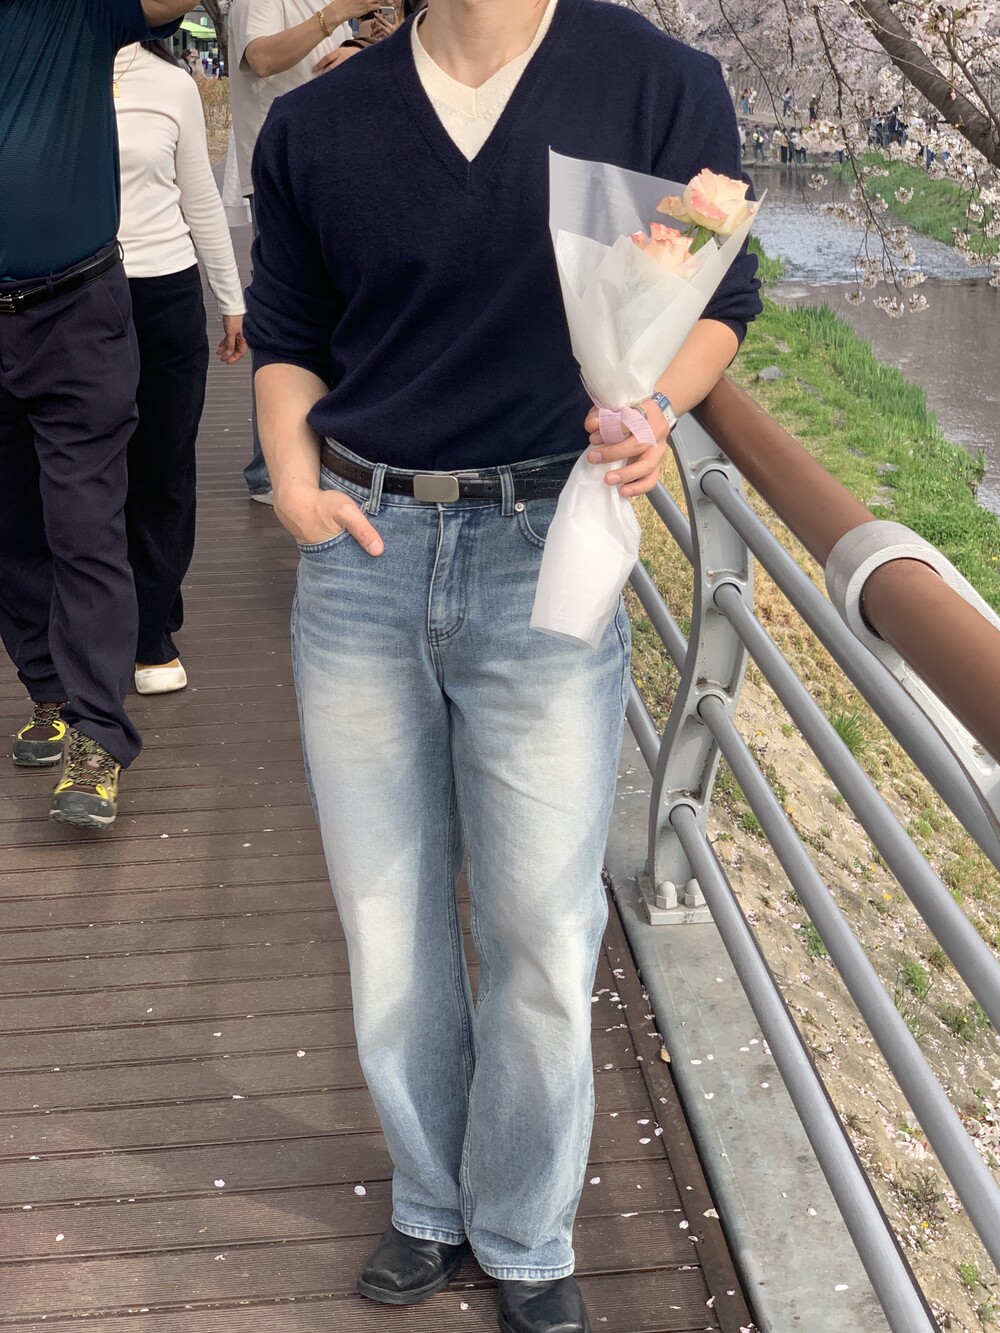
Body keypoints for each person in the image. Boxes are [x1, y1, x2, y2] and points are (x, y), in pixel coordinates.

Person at [244, 2, 761, 1330]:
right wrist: (294, 480)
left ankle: (525, 1226)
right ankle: (429, 1197)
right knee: (388, 919)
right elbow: (289, 333)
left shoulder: (655, 84)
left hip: (546, 544)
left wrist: (656, 404)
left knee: (540, 921)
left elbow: (721, 300)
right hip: (362, 552)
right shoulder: (319, 123)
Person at [0, 0, 190, 829]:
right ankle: (49, 694)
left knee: (84, 522)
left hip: (74, 312)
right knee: (9, 524)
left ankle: (97, 734)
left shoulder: (74, 9)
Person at [113, 39, 248, 697]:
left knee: (163, 466)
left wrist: (230, 299)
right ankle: (97, 621)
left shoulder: (170, 84)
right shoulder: (44, 70)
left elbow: (200, 198)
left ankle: (151, 627)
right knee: (85, 470)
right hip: (75, 297)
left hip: (165, 292)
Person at [228, 0, 375, 504]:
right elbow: (262, 58)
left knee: (329, 312)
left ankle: (315, 458)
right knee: (285, 321)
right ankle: (268, 472)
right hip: (282, 174)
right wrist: (338, 14)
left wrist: (360, 41)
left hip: (335, 167)